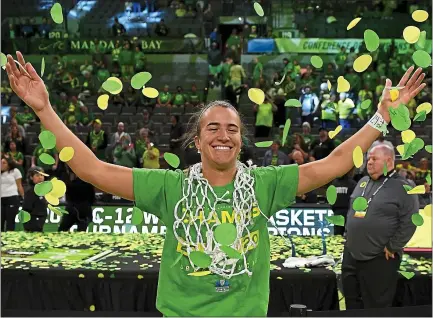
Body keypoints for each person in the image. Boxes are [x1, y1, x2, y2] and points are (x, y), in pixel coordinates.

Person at [5, 51, 425, 317]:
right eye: (213, 128)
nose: (223, 135)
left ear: (241, 139)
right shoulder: (171, 187)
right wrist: (44, 109)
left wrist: (381, 118)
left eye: (231, 129)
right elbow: (92, 168)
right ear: (197, 139)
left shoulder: (265, 184)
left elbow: (335, 162)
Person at [343, 144, 419, 309]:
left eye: (374, 159)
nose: (369, 162)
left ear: (389, 161)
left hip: (380, 258)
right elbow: (352, 211)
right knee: (351, 304)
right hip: (351, 255)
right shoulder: (362, 182)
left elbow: (411, 220)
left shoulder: (404, 187)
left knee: (376, 307)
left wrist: (393, 246)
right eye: (368, 158)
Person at [58, 165, 96, 232]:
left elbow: (68, 198)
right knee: (82, 231)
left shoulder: (70, 185)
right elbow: (92, 198)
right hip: (85, 209)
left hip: (72, 208)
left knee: (62, 229)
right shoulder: (89, 184)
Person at [330, 168, 357, 236]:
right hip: (348, 212)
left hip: (337, 212)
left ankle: (337, 246)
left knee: (338, 235)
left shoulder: (333, 184)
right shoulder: (352, 184)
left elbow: (330, 199)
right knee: (350, 235)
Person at [1, 155, 24, 231]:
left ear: (9, 164)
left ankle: (9, 241)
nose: (1, 164)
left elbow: (19, 186)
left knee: (10, 222)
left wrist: (24, 198)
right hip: (1, 199)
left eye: (4, 163)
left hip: (12, 198)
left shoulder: (15, 171)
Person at [22, 166, 48, 232]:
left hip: (41, 219)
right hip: (33, 220)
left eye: (42, 175)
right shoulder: (30, 191)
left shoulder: (43, 189)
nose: (40, 177)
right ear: (31, 177)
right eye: (37, 175)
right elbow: (26, 208)